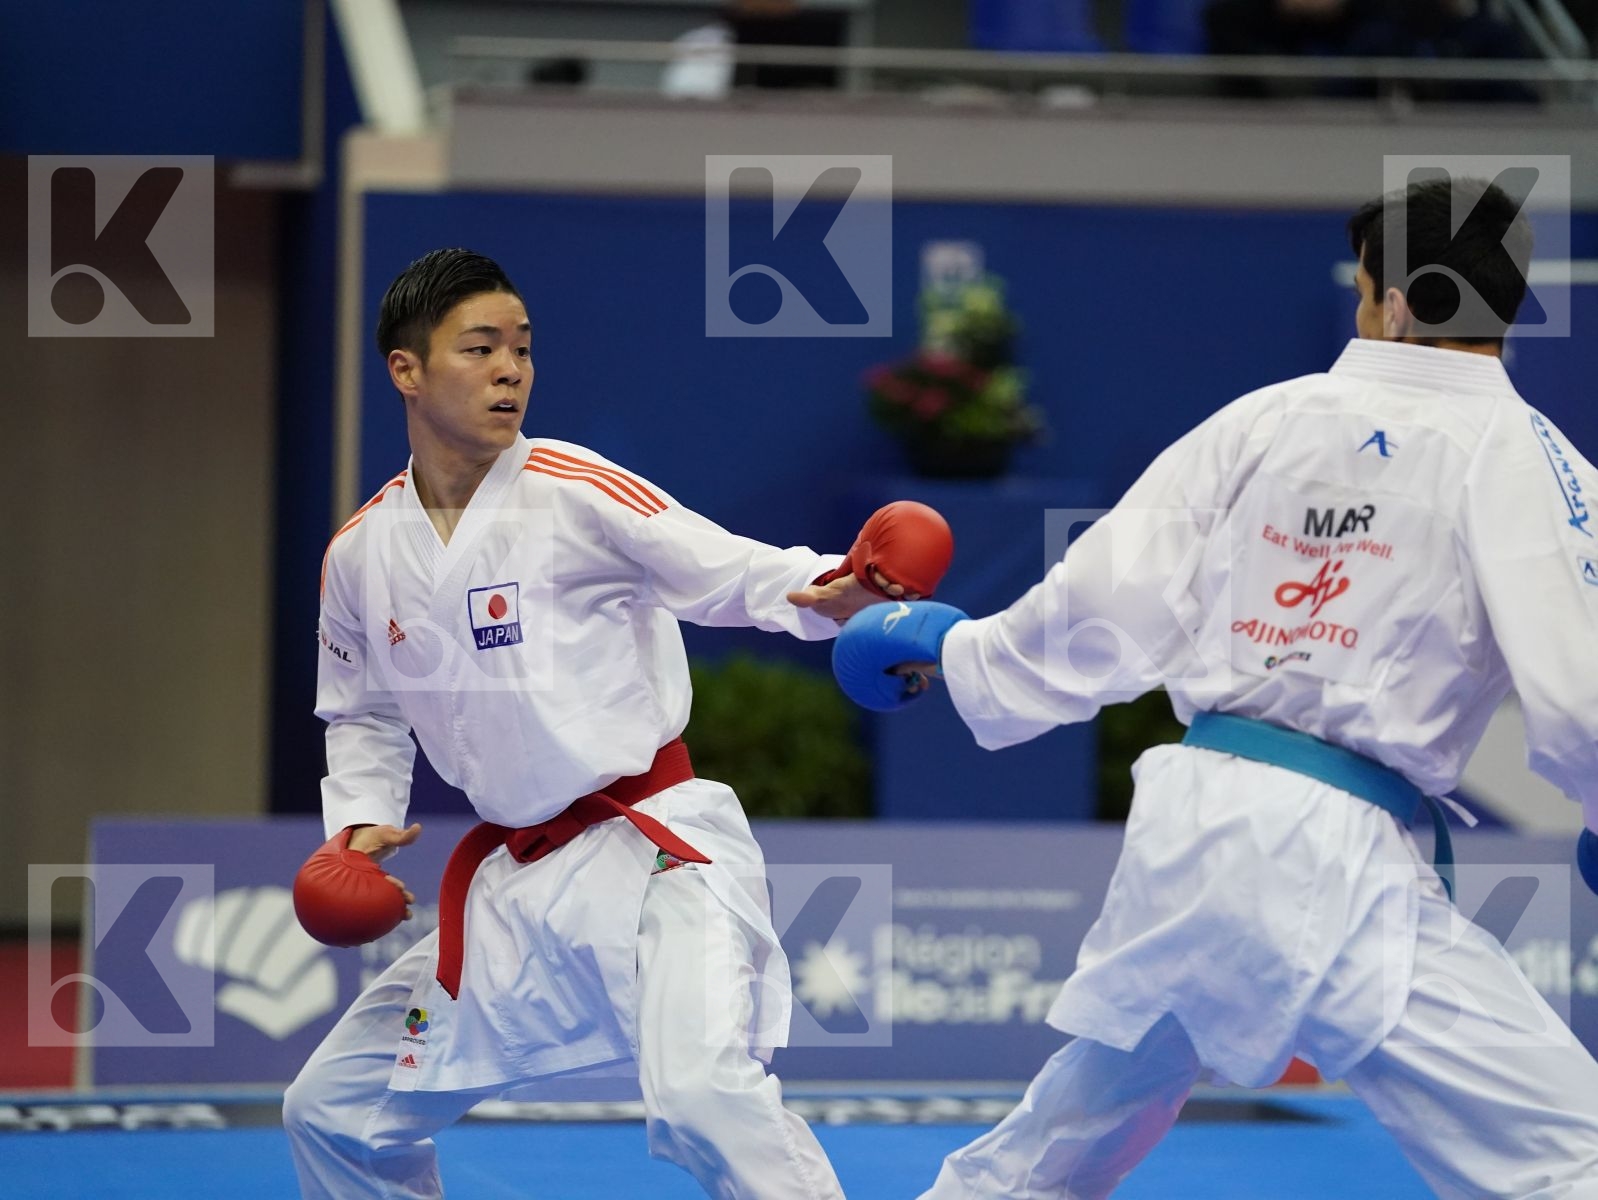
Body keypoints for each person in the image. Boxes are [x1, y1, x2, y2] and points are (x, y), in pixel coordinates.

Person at [831, 178, 1598, 1198]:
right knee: (1563, 1154)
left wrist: (962, 648)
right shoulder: (1536, 463)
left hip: (1197, 825)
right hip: (1329, 860)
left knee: (1058, 1145)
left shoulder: (1266, 418)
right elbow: (1579, 697)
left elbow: (1109, 598)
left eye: (1368, 290)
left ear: (1399, 302)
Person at [282, 247, 952, 1200]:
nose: (511, 368)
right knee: (331, 1113)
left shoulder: (573, 488)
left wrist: (838, 592)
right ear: (406, 370)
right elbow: (362, 710)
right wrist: (354, 830)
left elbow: (730, 571)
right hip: (510, 887)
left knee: (706, 1099)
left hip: (655, 858)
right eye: (480, 348)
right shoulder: (357, 555)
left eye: (522, 348)